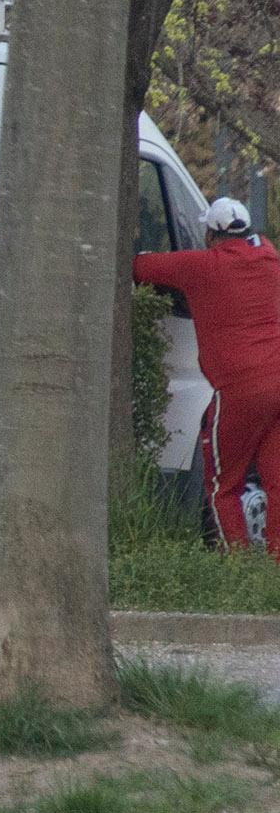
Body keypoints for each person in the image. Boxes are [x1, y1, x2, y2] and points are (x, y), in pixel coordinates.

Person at [138, 196, 280, 551]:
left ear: (211, 235)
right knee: (276, 480)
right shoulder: (270, 259)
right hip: (277, 385)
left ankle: (234, 565)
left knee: (222, 484)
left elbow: (141, 268)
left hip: (239, 390)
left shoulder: (201, 266)